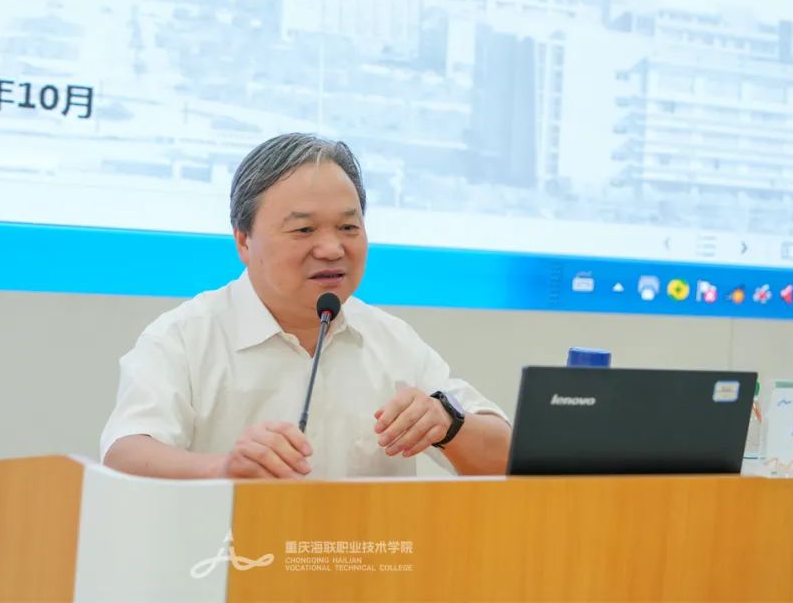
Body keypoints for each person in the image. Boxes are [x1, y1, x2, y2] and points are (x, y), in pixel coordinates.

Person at [101, 133, 511, 479]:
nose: (332, 248)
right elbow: (126, 454)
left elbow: (509, 458)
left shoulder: (391, 340)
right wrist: (223, 469)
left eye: (348, 227)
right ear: (243, 241)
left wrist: (450, 424)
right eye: (304, 229)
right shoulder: (185, 336)